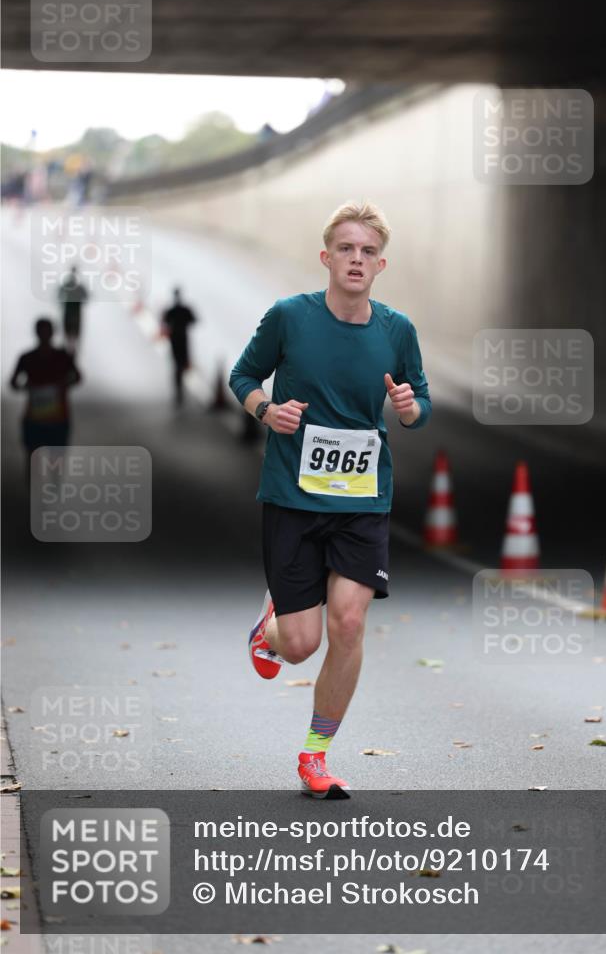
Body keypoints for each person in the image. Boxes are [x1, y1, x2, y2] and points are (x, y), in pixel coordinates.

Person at [229, 201, 431, 799]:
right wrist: (267, 410)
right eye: (346, 248)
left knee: (348, 623)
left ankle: (315, 757)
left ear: (380, 264)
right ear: (327, 257)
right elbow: (242, 377)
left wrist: (410, 410)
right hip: (293, 496)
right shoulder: (289, 317)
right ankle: (268, 631)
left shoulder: (397, 331)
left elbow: (419, 402)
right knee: (301, 645)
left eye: (368, 251)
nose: (356, 259)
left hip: (363, 501)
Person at [10, 318, 82, 474]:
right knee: (33, 458)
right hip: (37, 418)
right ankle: (35, 492)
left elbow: (77, 377)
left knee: (54, 460)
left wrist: (62, 385)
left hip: (56, 418)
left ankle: (52, 489)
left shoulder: (62, 357)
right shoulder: (28, 358)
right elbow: (13, 383)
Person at [162, 287, 197, 407]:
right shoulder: (185, 309)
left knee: (177, 364)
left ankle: (179, 388)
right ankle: (180, 386)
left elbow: (164, 321)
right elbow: (194, 320)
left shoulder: (171, 310)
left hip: (175, 339)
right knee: (182, 362)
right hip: (182, 338)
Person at [57, 266, 89, 351]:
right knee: (71, 331)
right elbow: (86, 296)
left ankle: (70, 347)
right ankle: (70, 347)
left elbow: (60, 294)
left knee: (71, 331)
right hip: (72, 311)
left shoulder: (74, 286)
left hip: (73, 311)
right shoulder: (76, 286)